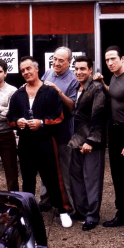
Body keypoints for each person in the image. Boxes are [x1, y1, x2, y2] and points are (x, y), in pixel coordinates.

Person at [7, 56, 72, 228]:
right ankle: (27, 211)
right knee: (27, 179)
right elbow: (10, 118)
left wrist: (42, 123)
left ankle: (63, 210)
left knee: (52, 178)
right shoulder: (18, 94)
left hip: (46, 141)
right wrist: (17, 123)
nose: (26, 72)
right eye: (22, 70)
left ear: (37, 69)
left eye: (29, 68)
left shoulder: (49, 92)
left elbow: (60, 117)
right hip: (26, 142)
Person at [68, 56, 107, 231]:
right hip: (76, 140)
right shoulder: (77, 87)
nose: (78, 72)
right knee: (76, 177)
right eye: (76, 69)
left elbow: (98, 116)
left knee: (91, 179)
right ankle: (81, 210)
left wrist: (91, 140)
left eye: (83, 69)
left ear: (90, 70)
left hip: (91, 141)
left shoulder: (96, 87)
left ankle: (92, 215)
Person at [39, 46, 78, 214]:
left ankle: (68, 204)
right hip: (46, 128)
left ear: (69, 62)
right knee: (45, 164)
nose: (56, 63)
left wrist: (57, 91)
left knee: (64, 168)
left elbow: (72, 106)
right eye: (54, 59)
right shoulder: (48, 73)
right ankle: (45, 200)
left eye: (61, 60)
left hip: (64, 131)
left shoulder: (74, 79)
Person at [93, 46, 124, 227]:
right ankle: (122, 214)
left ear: (122, 58)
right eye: (107, 60)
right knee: (118, 175)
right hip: (114, 131)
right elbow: (115, 95)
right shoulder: (114, 78)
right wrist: (103, 83)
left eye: (113, 59)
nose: (110, 63)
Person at [0, 59, 19, 191]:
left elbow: (11, 113)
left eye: (0, 71)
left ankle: (14, 202)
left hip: (7, 135)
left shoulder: (12, 91)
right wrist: (2, 109)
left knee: (11, 170)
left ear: (5, 73)